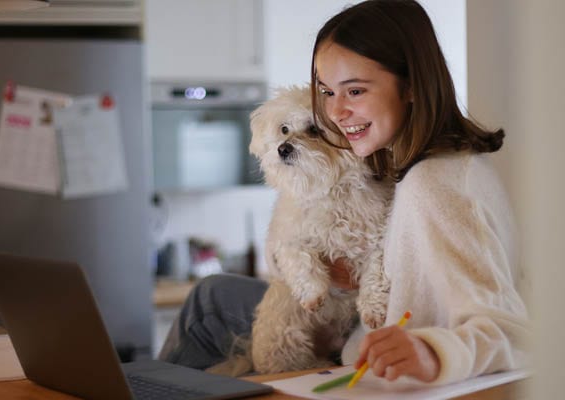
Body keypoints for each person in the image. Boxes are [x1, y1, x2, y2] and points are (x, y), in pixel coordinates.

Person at [159, 0, 529, 386]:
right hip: (352, 327)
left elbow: (508, 330)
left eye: (354, 91)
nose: (334, 112)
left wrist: (433, 353)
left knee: (209, 306)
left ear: (413, 87)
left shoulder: (435, 183)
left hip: (368, 355)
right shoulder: (399, 159)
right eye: (326, 91)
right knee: (215, 293)